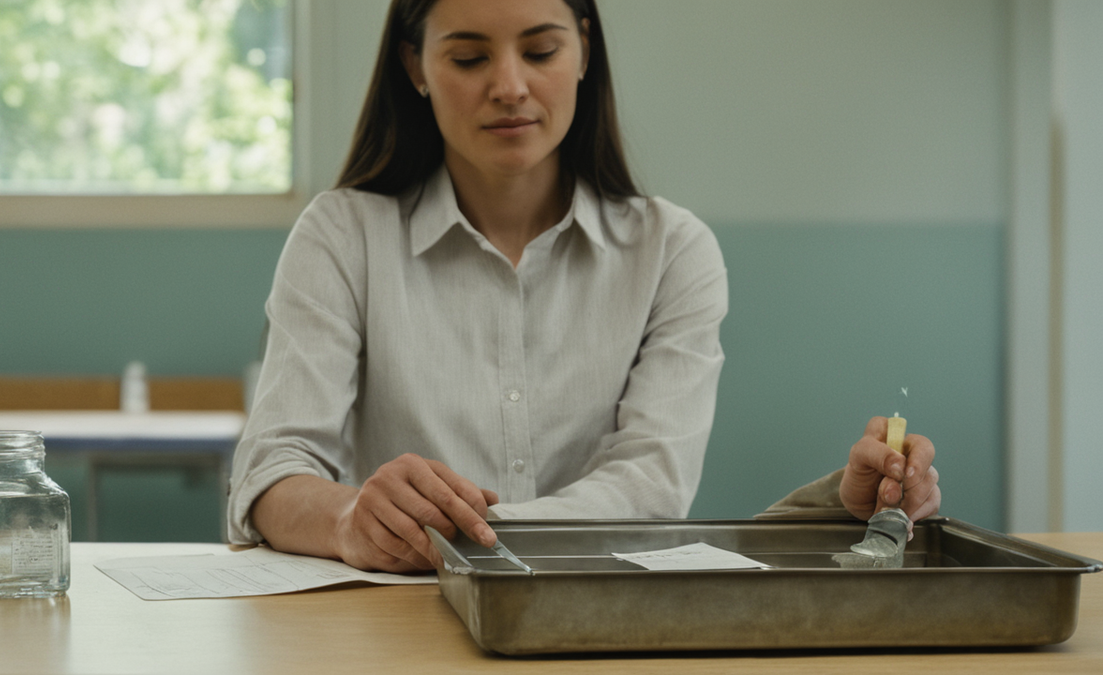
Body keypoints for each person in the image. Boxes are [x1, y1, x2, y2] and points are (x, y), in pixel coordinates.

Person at [226, 0, 941, 573]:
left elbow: (650, 488)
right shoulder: (342, 235)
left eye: (540, 51)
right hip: (398, 631)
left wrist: (437, 533)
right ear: (414, 63)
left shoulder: (672, 252)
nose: (509, 85)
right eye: (469, 56)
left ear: (584, 51)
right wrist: (353, 520)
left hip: (607, 627)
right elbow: (270, 473)